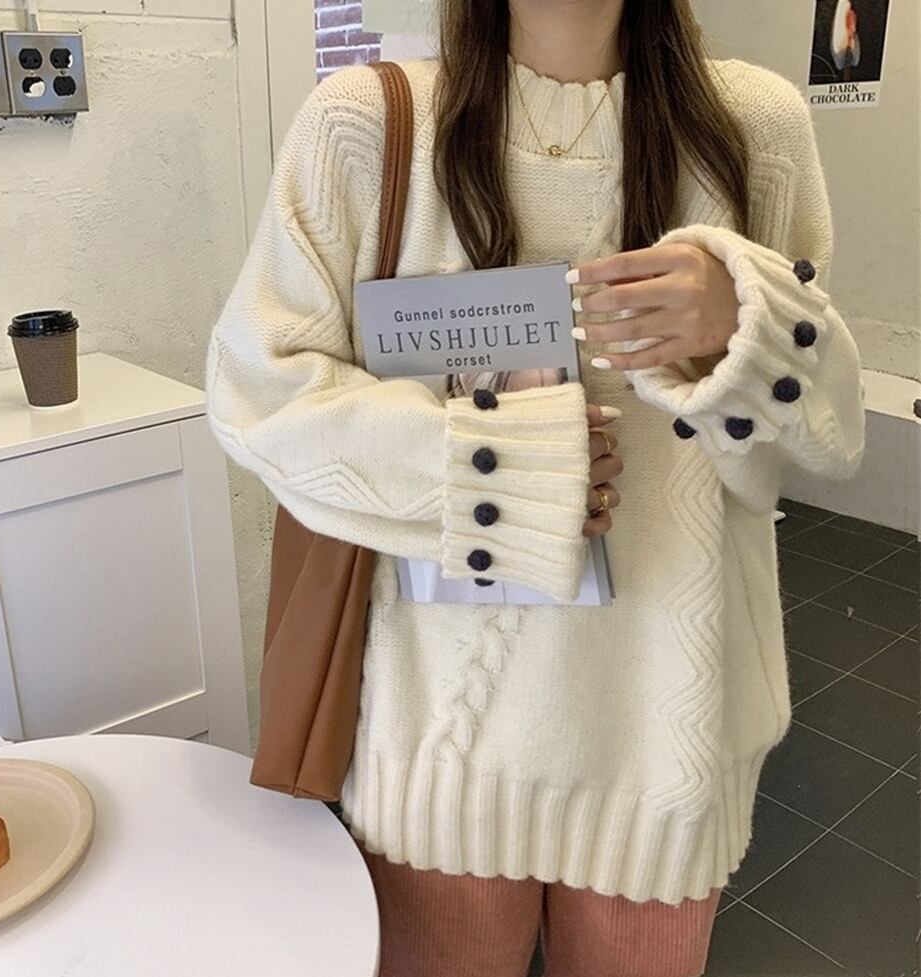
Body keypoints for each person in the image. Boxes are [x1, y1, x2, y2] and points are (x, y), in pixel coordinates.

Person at [205, 0, 866, 973]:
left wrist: (744, 326)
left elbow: (825, 438)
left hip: (663, 741)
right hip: (438, 754)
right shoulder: (367, 124)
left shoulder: (751, 126)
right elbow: (256, 390)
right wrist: (497, 470)